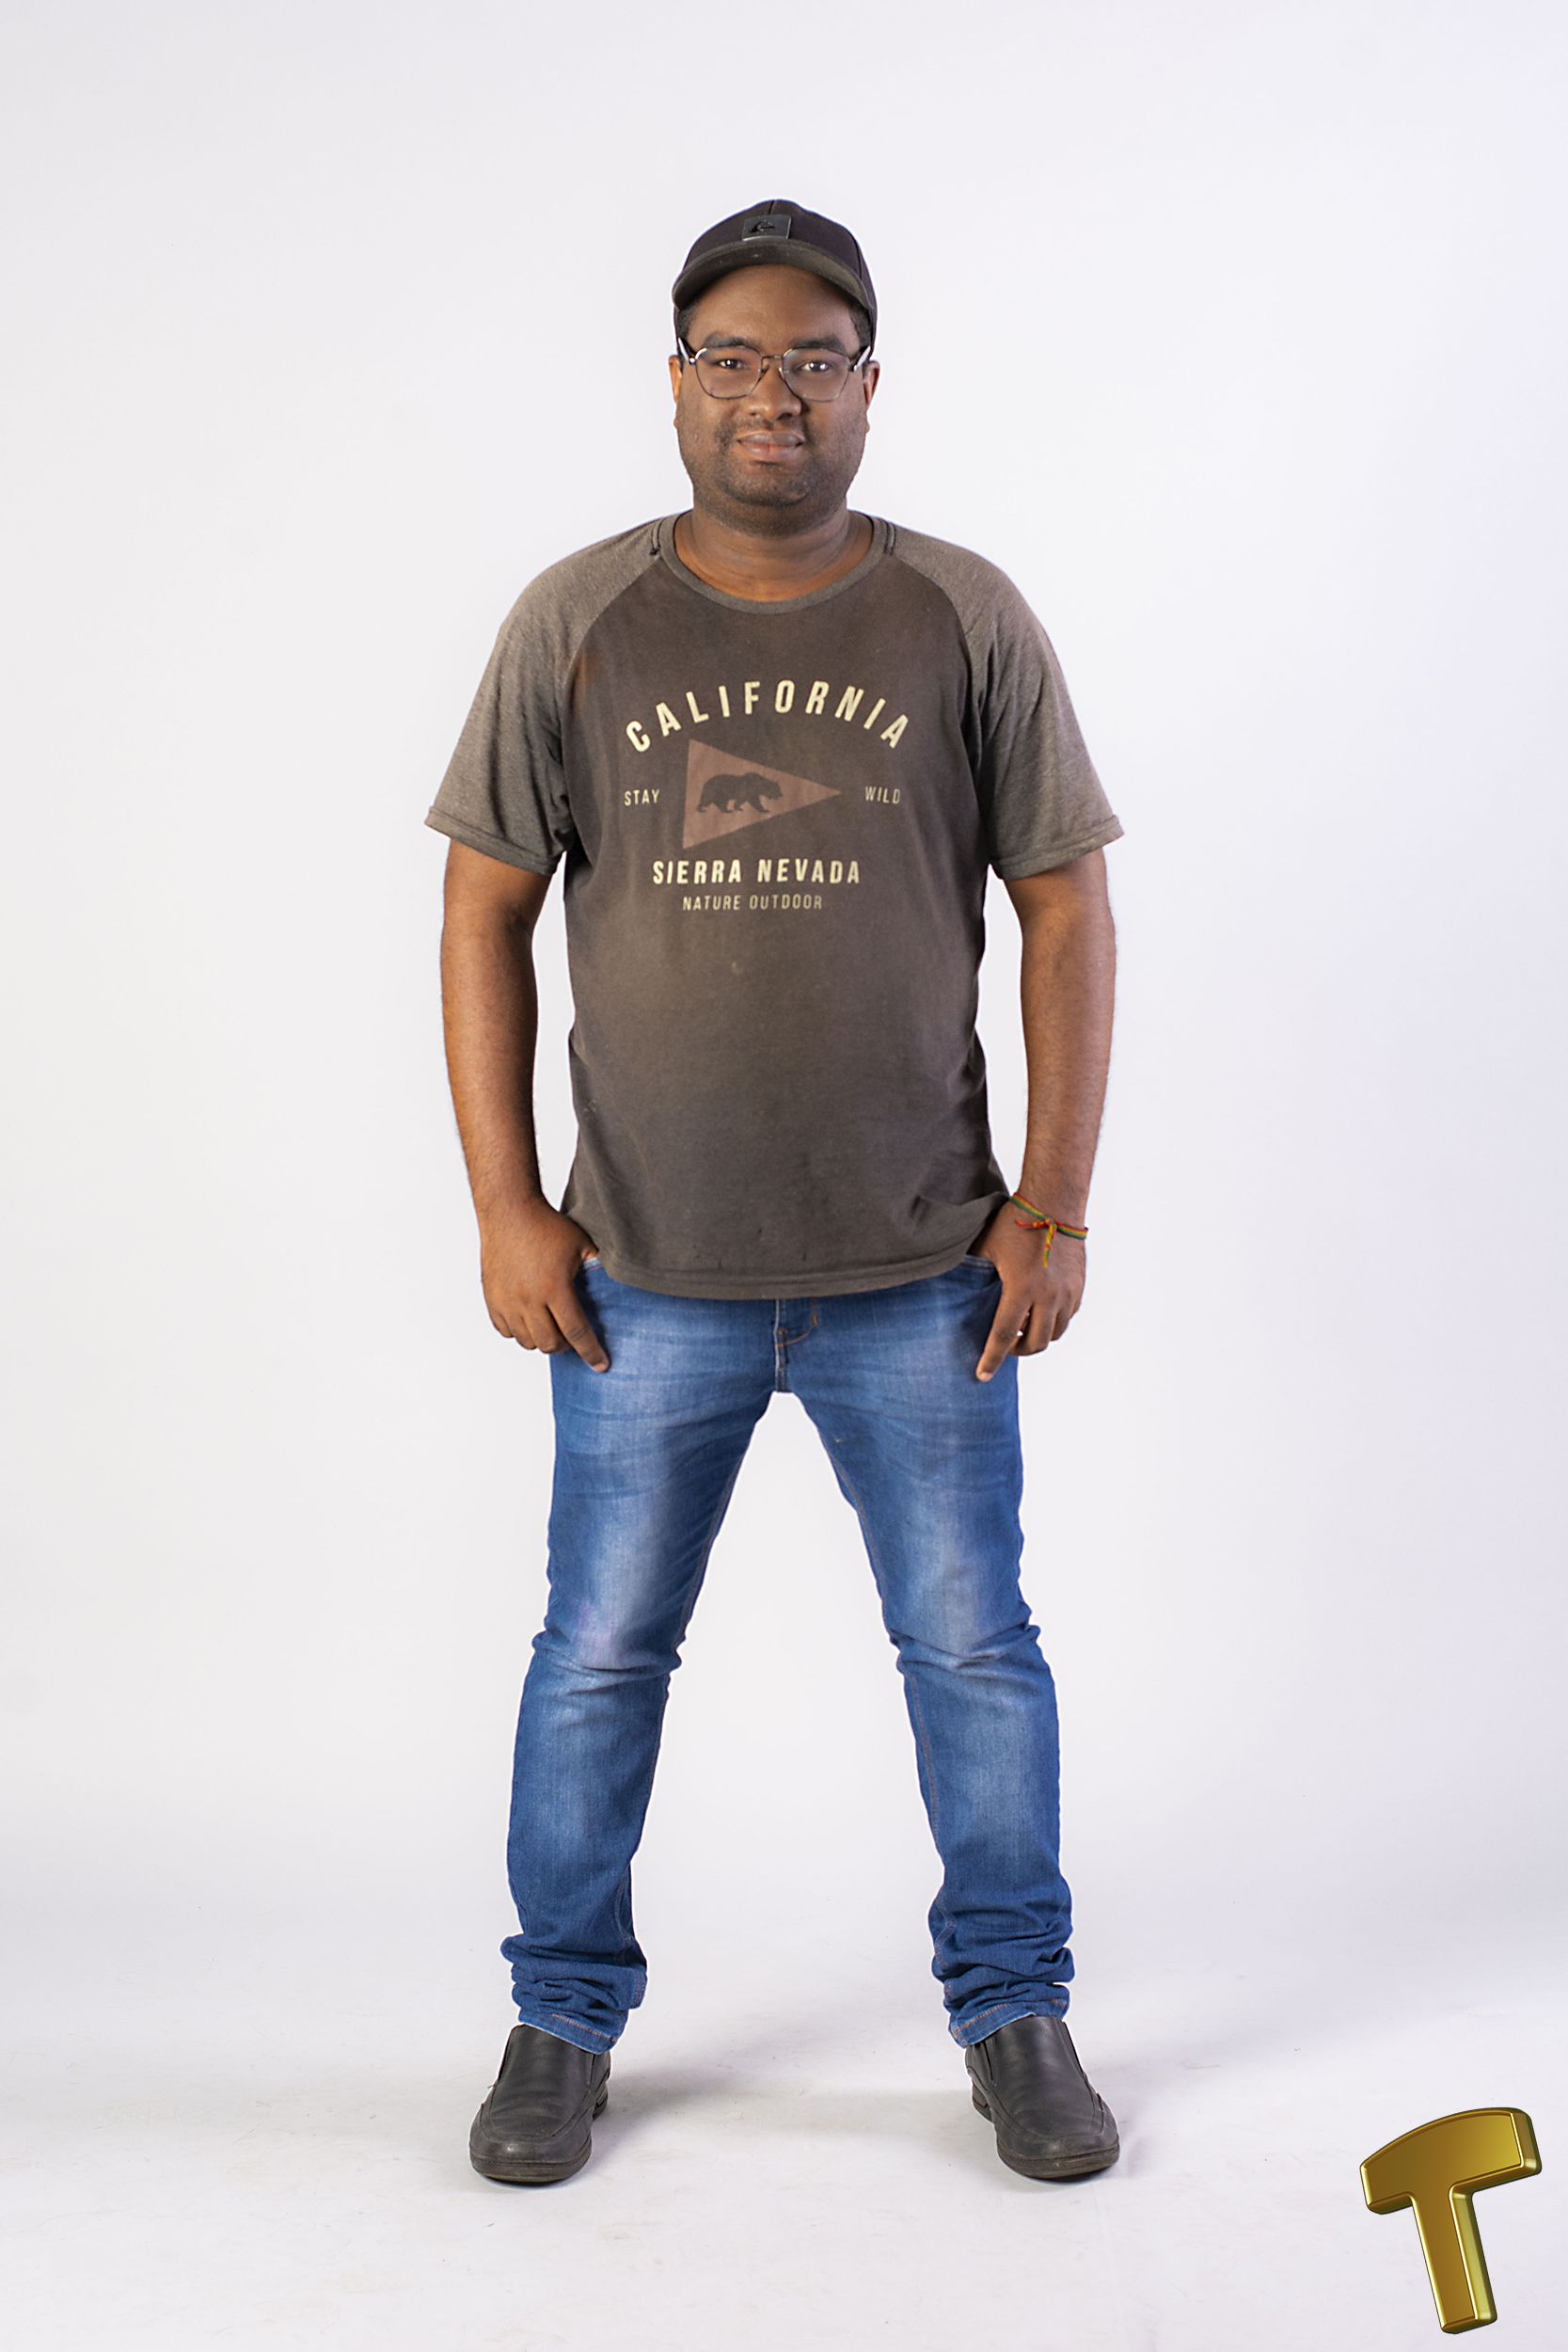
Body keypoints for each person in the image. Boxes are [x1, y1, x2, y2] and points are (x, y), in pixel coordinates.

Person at [428, 201, 1123, 2187]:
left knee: (974, 1652)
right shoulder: (576, 618)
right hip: (641, 1273)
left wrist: (1053, 1203)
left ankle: (1018, 2011)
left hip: (925, 1269)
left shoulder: (963, 614)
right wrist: (505, 1203)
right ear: (676, 384)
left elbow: (1066, 904)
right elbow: (481, 909)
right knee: (596, 1656)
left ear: (868, 388)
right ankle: (561, 2018)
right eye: (732, 356)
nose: (773, 393)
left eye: (814, 359)